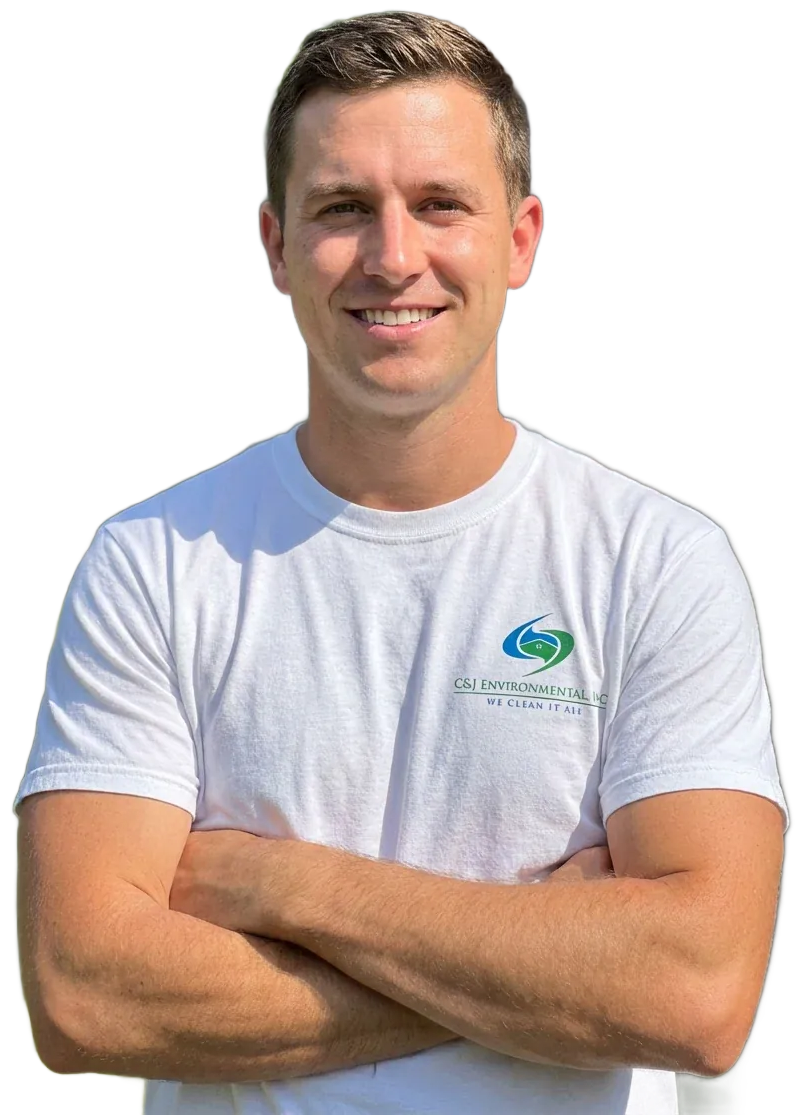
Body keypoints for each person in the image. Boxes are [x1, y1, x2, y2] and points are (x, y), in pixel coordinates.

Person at [14, 10, 787, 1115]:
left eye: (439, 204)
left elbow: (698, 994)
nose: (392, 256)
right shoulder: (153, 563)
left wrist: (279, 883)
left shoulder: (655, 562)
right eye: (341, 209)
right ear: (276, 247)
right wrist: (551, 959)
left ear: (519, 239)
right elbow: (83, 997)